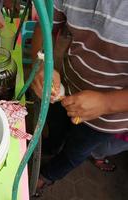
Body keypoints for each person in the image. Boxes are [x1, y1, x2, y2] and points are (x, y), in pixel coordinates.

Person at [30, 0, 128, 195]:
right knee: (56, 128)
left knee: (75, 152)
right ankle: (51, 146)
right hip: (66, 88)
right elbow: (45, 25)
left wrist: (107, 103)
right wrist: (42, 64)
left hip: (108, 118)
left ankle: (46, 176)